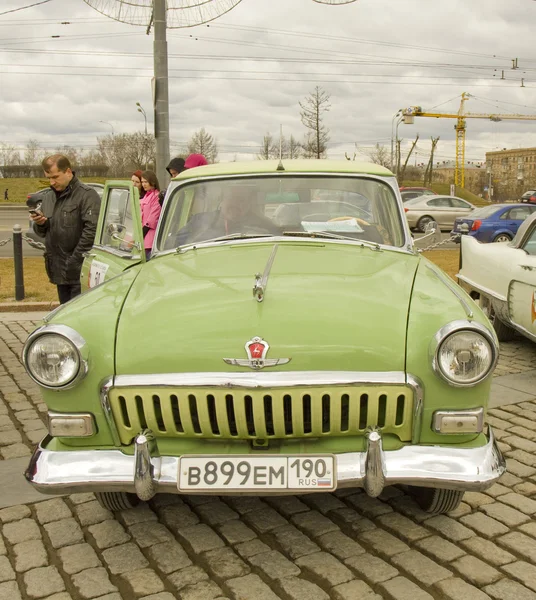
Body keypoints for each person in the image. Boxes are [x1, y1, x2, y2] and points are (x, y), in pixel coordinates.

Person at [30, 154, 100, 304]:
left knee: (79, 317)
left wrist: (74, 261)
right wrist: (41, 223)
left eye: (55, 177)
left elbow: (91, 231)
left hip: (79, 270)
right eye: (49, 178)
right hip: (58, 269)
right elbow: (43, 232)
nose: (52, 182)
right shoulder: (49, 197)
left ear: (68, 172)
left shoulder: (87, 195)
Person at [174, 186, 279, 246]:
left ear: (249, 204)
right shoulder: (200, 221)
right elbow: (175, 244)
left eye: (242, 200)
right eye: (232, 198)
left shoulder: (264, 226)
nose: (236, 204)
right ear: (222, 199)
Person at [140, 170, 162, 260]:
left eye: (146, 182)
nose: (143, 184)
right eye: (142, 182)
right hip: (143, 235)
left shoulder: (156, 196)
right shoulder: (146, 195)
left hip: (150, 235)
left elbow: (152, 219)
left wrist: (141, 233)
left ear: (152, 181)